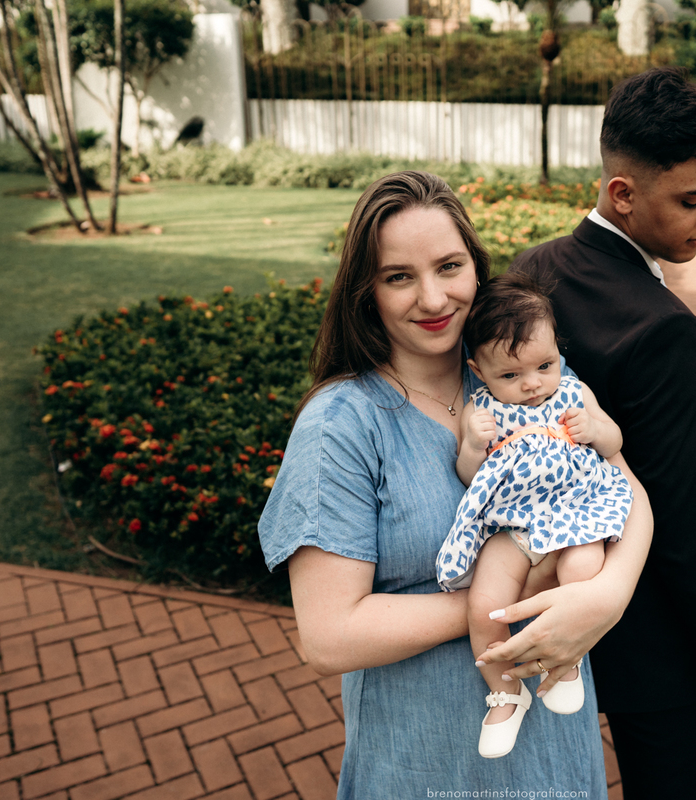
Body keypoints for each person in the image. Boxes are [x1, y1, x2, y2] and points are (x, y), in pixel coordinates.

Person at [258, 171, 653, 798]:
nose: (434, 298)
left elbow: (627, 490)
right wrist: (514, 601)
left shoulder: (520, 370)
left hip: (556, 758)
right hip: (426, 763)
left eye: (449, 266)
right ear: (367, 293)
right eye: (398, 277)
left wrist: (604, 597)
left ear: (476, 266)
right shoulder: (342, 424)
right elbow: (328, 635)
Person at [499, 67, 696, 798]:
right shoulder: (665, 329)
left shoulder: (531, 272)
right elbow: (684, 519)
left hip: (531, 610)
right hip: (652, 639)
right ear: (623, 192)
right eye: (694, 198)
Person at [435, 273, 634, 758]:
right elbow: (470, 477)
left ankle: (566, 662)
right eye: (510, 375)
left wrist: (594, 429)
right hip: (513, 524)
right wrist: (473, 445)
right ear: (478, 372)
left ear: (557, 354)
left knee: (583, 573)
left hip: (574, 512)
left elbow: (615, 443)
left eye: (544, 365)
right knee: (486, 606)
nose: (531, 384)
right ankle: (505, 692)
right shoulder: (480, 410)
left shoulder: (572, 392)